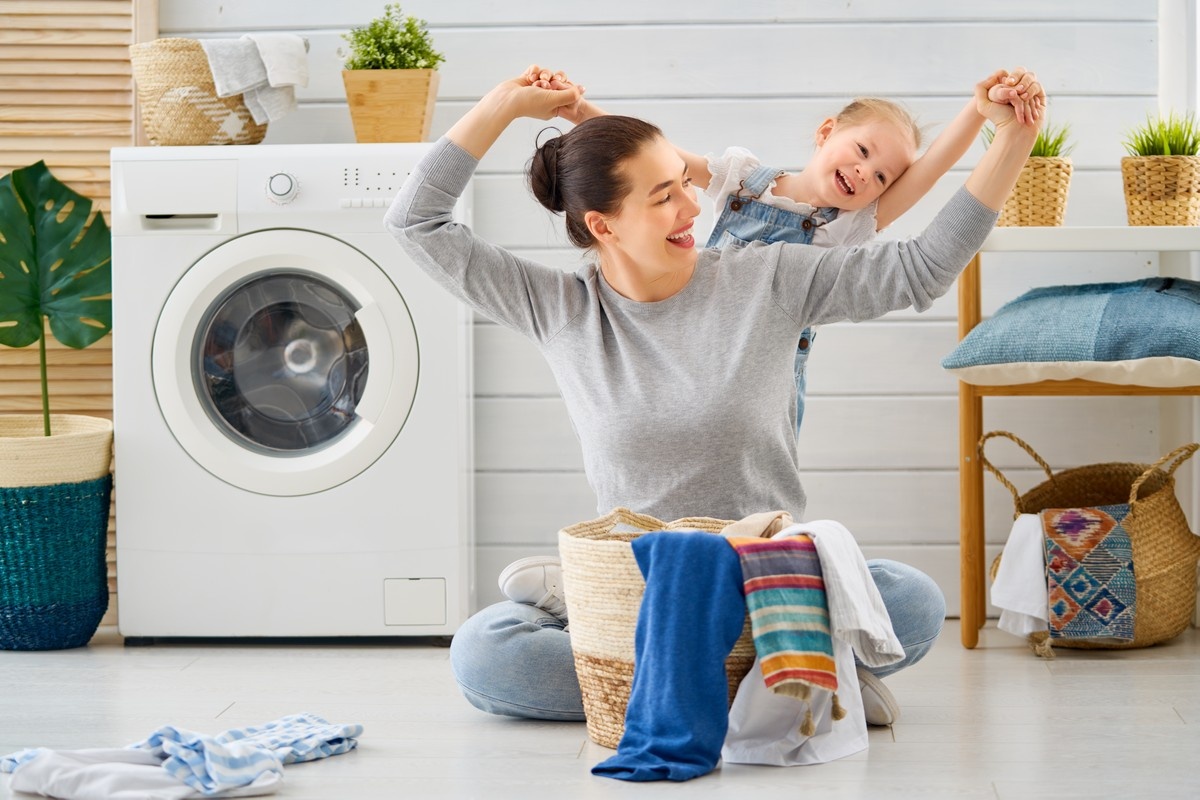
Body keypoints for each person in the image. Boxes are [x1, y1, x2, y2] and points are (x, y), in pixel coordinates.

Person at [384, 64, 1043, 727]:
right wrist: (503, 104)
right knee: (484, 652)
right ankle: (779, 675)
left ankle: (674, 676)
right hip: (639, 583)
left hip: (766, 577)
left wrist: (1013, 139)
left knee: (913, 601)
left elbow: (921, 269)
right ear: (603, 226)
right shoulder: (559, 309)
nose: (695, 207)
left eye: (683, 184)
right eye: (664, 195)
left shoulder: (770, 278)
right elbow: (417, 222)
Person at [540, 69, 1042, 436]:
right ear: (826, 132)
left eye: (883, 176)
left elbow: (930, 169)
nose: (867, 173)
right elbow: (655, 160)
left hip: (763, 378)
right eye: (864, 151)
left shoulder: (846, 228)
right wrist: (584, 114)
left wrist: (979, 112)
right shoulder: (745, 180)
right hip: (690, 331)